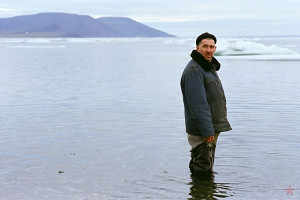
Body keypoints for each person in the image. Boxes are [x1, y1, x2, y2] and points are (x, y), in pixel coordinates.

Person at [180, 32, 232, 175]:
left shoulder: (208, 67)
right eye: (205, 46)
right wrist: (207, 130)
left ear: (215, 48)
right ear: (197, 48)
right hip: (202, 129)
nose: (208, 50)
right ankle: (202, 193)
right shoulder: (194, 70)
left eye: (211, 46)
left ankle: (202, 192)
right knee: (203, 166)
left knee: (204, 162)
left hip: (211, 126)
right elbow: (198, 104)